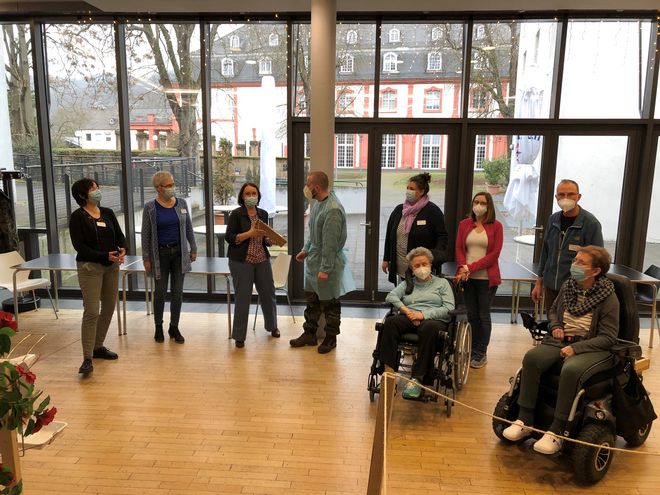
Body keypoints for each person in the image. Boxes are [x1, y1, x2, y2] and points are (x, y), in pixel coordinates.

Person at [503, 246, 618, 454]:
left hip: (589, 346)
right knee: (532, 358)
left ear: (595, 271)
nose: (574, 265)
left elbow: (608, 337)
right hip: (560, 340)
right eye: (575, 260)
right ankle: (524, 419)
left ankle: (558, 430)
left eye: (581, 263)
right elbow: (554, 311)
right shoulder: (568, 286)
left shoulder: (608, 297)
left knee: (571, 369)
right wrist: (556, 326)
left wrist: (576, 348)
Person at [290, 171, 355, 354]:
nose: (306, 187)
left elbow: (330, 244)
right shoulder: (318, 204)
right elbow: (313, 233)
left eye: (308, 184)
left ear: (316, 187)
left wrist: (325, 269)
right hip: (314, 261)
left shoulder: (332, 209)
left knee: (330, 304)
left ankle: (331, 338)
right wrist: (305, 250)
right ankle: (309, 333)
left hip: (328, 264)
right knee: (312, 301)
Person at [380, 247, 455, 399]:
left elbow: (449, 308)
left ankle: (417, 379)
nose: (421, 268)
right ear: (412, 269)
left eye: (424, 264)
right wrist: (408, 312)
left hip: (434, 320)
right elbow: (391, 296)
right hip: (410, 316)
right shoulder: (408, 284)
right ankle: (389, 374)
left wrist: (423, 315)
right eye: (417, 265)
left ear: (431, 264)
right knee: (390, 322)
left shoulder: (442, 283)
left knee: (429, 328)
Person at [69, 178, 126, 375]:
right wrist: (103, 256)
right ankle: (87, 358)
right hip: (90, 268)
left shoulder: (108, 213)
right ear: (83, 195)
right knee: (92, 311)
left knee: (109, 307)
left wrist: (123, 248)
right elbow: (79, 246)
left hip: (112, 267)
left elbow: (119, 236)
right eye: (93, 188)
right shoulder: (78, 217)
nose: (97, 190)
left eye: (97, 187)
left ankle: (97, 346)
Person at [532, 179, 603, 312]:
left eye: (570, 194)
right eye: (561, 194)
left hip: (576, 289)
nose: (566, 198)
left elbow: (599, 260)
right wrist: (539, 282)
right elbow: (545, 252)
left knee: (570, 323)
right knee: (553, 321)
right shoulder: (553, 220)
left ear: (578, 197)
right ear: (556, 197)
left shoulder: (591, 224)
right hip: (551, 286)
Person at [141, 171, 196, 344]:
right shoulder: (150, 207)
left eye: (173, 184)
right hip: (160, 256)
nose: (173, 187)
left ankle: (174, 327)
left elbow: (188, 227)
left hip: (179, 254)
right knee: (160, 292)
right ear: (159, 188)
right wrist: (146, 258)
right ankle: (158, 326)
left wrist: (193, 247)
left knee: (177, 293)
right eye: (169, 185)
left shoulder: (181, 203)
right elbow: (145, 235)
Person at [225, 182, 280, 348]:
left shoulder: (263, 214)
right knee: (243, 298)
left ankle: (272, 326)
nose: (251, 196)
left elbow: (264, 238)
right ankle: (239, 336)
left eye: (254, 193)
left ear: (258, 196)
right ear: (242, 197)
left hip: (262, 260)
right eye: (247, 194)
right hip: (242, 262)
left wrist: (271, 240)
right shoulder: (236, 214)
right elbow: (229, 238)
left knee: (268, 294)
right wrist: (249, 233)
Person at [455, 191, 503, 369]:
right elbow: (459, 249)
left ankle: (481, 352)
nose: (479, 206)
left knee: (483, 315)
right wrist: (463, 267)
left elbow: (494, 254)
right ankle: (473, 349)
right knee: (472, 315)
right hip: (467, 278)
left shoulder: (496, 226)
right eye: (476, 202)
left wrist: (470, 267)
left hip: (486, 279)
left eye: (483, 203)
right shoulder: (464, 224)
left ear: (489, 206)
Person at [382, 172, 448, 285]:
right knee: (403, 291)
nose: (408, 191)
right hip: (401, 266)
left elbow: (442, 236)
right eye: (407, 188)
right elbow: (389, 236)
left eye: (412, 189)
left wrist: (433, 257)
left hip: (422, 269)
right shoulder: (399, 210)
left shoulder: (432, 211)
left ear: (422, 191)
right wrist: (386, 259)